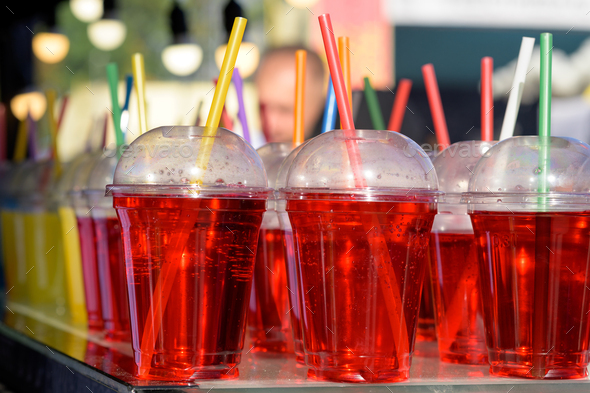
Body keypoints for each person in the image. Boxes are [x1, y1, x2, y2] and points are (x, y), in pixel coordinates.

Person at [256, 46, 326, 143]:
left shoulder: (344, 151)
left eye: (285, 110)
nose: (271, 124)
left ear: (319, 105)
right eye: (262, 108)